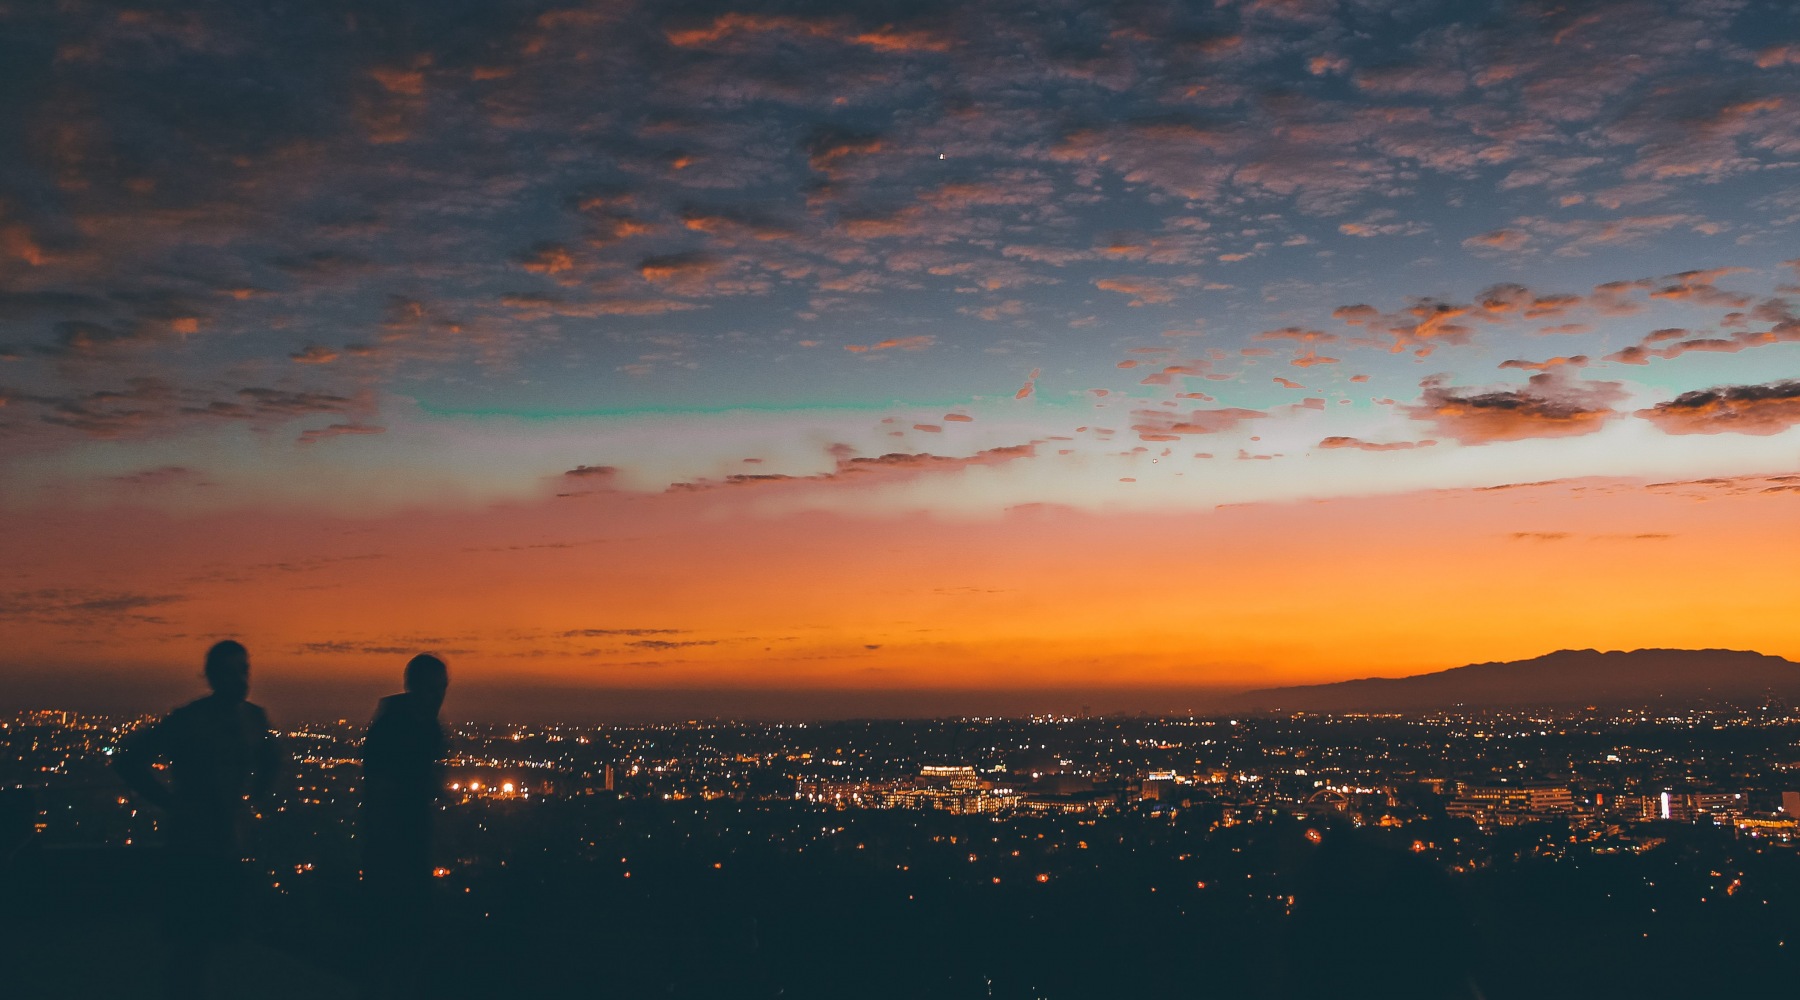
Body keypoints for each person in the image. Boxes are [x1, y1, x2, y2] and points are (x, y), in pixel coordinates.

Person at [113, 639, 284, 998]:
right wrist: (173, 802)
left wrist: (250, 801)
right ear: (212, 677)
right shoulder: (197, 721)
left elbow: (271, 761)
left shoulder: (245, 718)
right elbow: (130, 760)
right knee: (195, 940)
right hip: (195, 844)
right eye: (232, 671)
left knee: (211, 939)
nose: (240, 679)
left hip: (222, 842)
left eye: (243, 670)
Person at [360, 653, 449, 998]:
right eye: (432, 689)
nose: (438, 697)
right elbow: (384, 791)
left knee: (403, 946)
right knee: (397, 945)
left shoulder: (422, 726)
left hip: (406, 849)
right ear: (414, 688)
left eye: (441, 689)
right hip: (393, 853)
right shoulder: (399, 730)